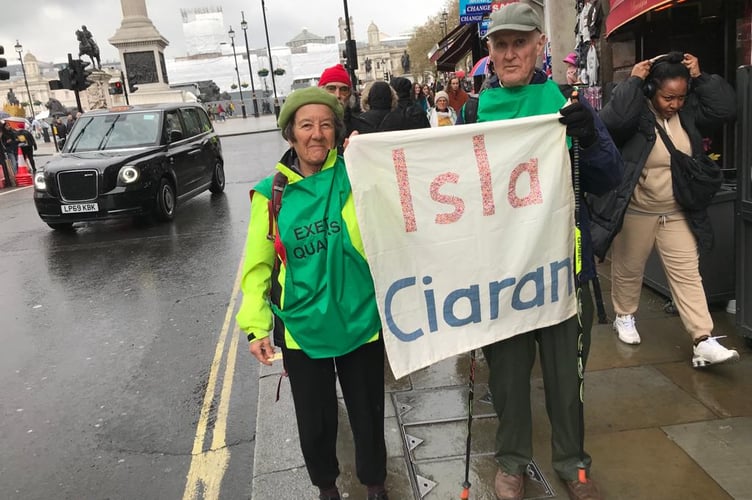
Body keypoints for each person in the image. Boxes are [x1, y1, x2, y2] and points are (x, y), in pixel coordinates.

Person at [458, 4, 622, 499]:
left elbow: (609, 176)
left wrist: (589, 137)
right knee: (506, 380)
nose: (510, 54)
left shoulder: (567, 105)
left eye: (519, 44)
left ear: (537, 48)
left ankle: (573, 463)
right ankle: (511, 462)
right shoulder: (471, 113)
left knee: (565, 379)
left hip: (561, 271)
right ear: (490, 52)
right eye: (500, 45)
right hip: (502, 276)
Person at [236, 87, 388, 500]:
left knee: (368, 413)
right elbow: (257, 266)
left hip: (361, 318)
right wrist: (255, 327)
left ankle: (375, 484)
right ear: (291, 135)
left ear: (337, 132)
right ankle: (326, 487)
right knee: (316, 421)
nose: (316, 134)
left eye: (325, 125)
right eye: (306, 125)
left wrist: (372, 150)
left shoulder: (357, 173)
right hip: (303, 327)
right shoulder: (271, 194)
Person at [588, 51, 739, 366]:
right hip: (637, 210)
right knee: (629, 269)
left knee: (687, 274)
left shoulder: (687, 113)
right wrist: (633, 80)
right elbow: (610, 121)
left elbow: (726, 109)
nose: (675, 104)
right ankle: (624, 316)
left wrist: (700, 78)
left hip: (676, 210)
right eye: (668, 97)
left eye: (681, 97)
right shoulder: (635, 114)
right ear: (650, 91)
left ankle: (702, 339)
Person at [318, 63, 360, 140]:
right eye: (331, 88)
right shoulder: (310, 128)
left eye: (343, 90)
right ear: (321, 92)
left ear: (350, 94)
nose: (337, 95)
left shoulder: (363, 128)